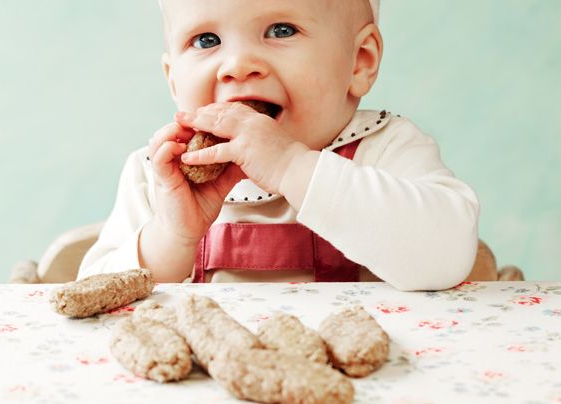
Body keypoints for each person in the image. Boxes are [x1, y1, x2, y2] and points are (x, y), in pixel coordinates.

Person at [77, 0, 480, 291]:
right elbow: (93, 299)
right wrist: (170, 236)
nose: (237, 64)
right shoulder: (159, 176)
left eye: (281, 30)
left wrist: (292, 167)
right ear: (173, 80)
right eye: (205, 40)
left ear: (359, 60)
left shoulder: (385, 150)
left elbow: (448, 256)